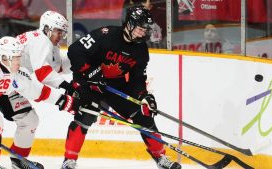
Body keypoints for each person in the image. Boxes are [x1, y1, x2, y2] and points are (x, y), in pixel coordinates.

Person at [61, 6, 182, 169]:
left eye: (145, 29)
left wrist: (143, 96)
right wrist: (90, 73)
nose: (143, 33)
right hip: (89, 82)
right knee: (86, 115)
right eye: (140, 29)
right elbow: (75, 51)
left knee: (143, 115)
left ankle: (161, 158)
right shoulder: (106, 34)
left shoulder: (141, 50)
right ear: (129, 24)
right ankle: (69, 161)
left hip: (115, 85)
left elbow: (137, 78)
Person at [0, 11, 76, 169]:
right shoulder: (40, 40)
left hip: (11, 82)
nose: (61, 35)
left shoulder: (48, 46)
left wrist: (78, 57)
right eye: (59, 31)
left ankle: (18, 160)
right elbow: (43, 74)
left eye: (63, 32)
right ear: (47, 28)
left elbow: (55, 70)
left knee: (29, 120)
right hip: (3, 81)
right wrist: (67, 89)